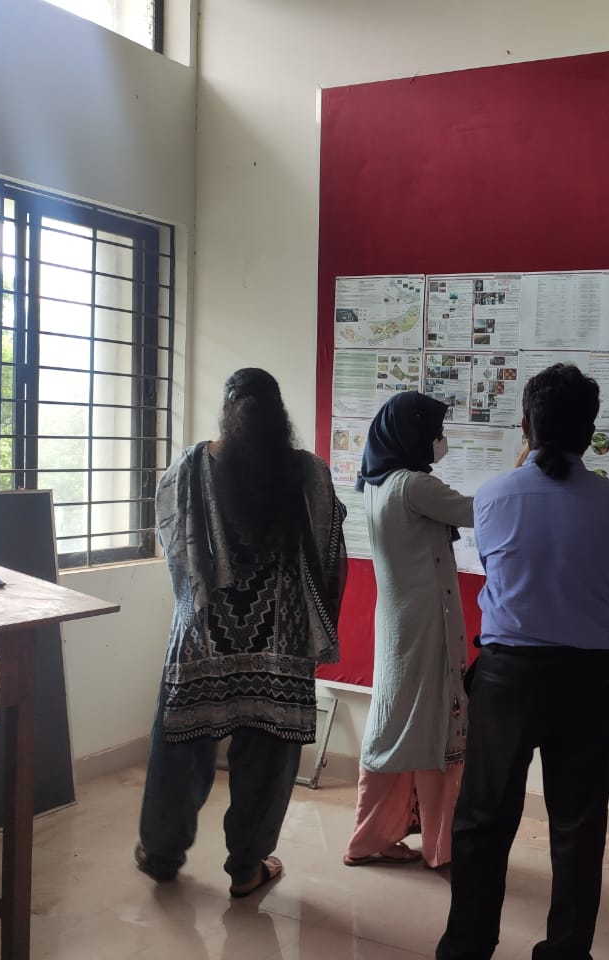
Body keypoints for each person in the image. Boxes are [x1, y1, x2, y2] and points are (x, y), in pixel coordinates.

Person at [437, 364, 609, 960]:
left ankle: (468, 946)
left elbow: (500, 564)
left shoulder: (493, 496)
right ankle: (567, 951)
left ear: (525, 425)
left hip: (508, 677)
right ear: (591, 433)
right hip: (589, 680)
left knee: (483, 818)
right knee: (579, 825)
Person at [136, 368, 346, 897]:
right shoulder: (309, 473)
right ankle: (248, 867)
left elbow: (174, 543)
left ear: (227, 409)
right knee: (268, 756)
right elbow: (329, 556)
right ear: (280, 412)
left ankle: (161, 854)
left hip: (203, 636)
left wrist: (196, 599)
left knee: (180, 743)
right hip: (281, 642)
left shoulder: (191, 466)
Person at [345, 391, 474, 869]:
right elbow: (477, 511)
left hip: (402, 625)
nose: (441, 440)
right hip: (425, 628)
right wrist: (524, 476)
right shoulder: (413, 485)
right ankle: (440, 847)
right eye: (436, 431)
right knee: (435, 728)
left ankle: (374, 836)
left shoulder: (378, 483)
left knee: (397, 727)